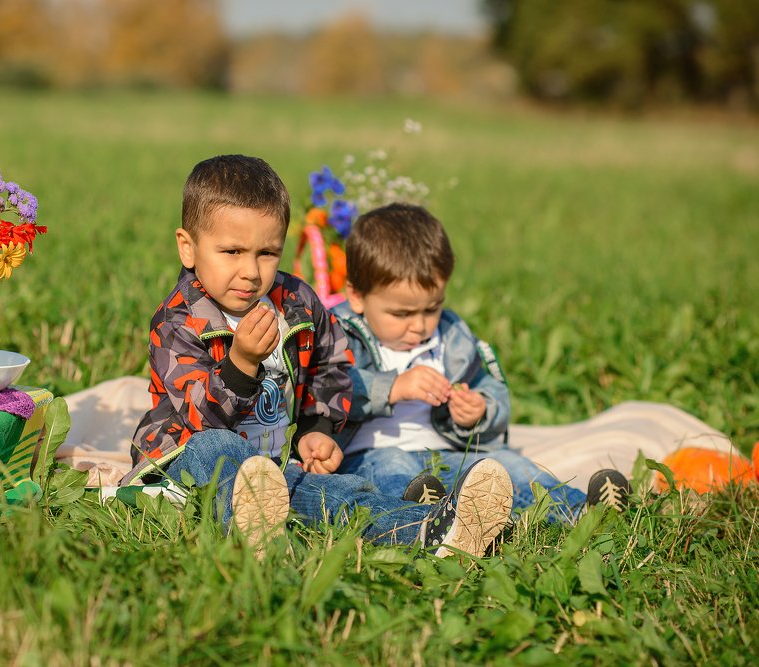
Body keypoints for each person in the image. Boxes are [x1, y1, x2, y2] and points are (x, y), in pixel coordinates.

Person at [119, 155, 514, 556]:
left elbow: (331, 366)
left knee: (342, 494)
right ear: (188, 248)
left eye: (267, 253)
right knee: (215, 451)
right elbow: (200, 420)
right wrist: (240, 363)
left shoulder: (295, 303)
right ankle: (252, 531)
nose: (251, 271)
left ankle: (433, 530)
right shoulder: (178, 322)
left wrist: (318, 430)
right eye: (232, 252)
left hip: (275, 469)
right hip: (186, 464)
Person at [332, 203, 629, 521]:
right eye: (401, 314)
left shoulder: (450, 336)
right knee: (391, 465)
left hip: (449, 454)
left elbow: (490, 387)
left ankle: (582, 510)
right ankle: (427, 517)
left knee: (508, 464)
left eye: (431, 309)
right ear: (358, 296)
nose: (419, 325)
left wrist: (479, 410)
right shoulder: (340, 332)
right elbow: (329, 390)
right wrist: (392, 388)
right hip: (369, 453)